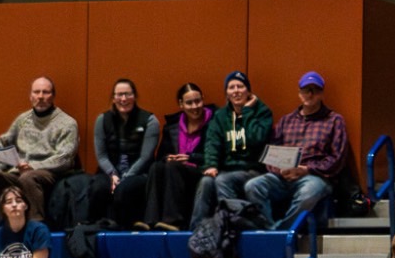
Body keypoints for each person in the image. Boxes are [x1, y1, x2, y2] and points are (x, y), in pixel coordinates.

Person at [0, 77, 80, 232]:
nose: (40, 96)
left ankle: (36, 229)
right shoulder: (22, 120)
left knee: (28, 177)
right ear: (30, 96)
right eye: (36, 92)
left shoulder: (67, 123)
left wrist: (33, 166)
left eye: (45, 92)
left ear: (53, 96)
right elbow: (3, 144)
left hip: (49, 175)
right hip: (18, 172)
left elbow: (65, 158)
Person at [246, 71, 347, 231]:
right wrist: (281, 170)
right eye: (306, 90)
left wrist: (306, 170)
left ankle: (282, 232)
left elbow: (337, 159)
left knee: (309, 192)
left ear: (322, 94)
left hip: (313, 177)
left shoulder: (334, 120)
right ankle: (270, 230)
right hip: (282, 176)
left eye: (315, 90)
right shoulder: (286, 120)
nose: (310, 94)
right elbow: (271, 153)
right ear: (299, 93)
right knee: (253, 186)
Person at [194, 70, 274, 227]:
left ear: (249, 91)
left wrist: (247, 112)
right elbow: (212, 143)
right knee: (206, 182)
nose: (236, 91)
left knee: (223, 181)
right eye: (231, 87)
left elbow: (256, 139)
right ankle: (197, 231)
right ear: (227, 93)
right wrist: (211, 165)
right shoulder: (220, 116)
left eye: (240, 86)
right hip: (226, 169)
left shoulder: (262, 112)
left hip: (253, 169)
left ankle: (231, 226)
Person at [90, 78, 160, 228]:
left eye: (128, 94)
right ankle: (96, 230)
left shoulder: (150, 120)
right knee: (98, 188)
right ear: (113, 98)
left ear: (134, 96)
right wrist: (113, 174)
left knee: (124, 190)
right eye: (119, 95)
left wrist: (125, 177)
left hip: (139, 173)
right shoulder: (102, 120)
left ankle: (124, 231)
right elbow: (101, 155)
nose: (123, 99)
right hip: (109, 172)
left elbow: (145, 157)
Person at [147, 82, 211, 231]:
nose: (195, 106)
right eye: (189, 103)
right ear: (181, 104)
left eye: (198, 101)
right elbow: (161, 155)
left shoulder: (213, 123)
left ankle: (173, 220)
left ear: (203, 99)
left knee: (173, 167)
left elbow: (215, 154)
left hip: (200, 170)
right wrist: (167, 158)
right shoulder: (172, 127)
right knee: (157, 167)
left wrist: (191, 158)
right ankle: (151, 220)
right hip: (174, 171)